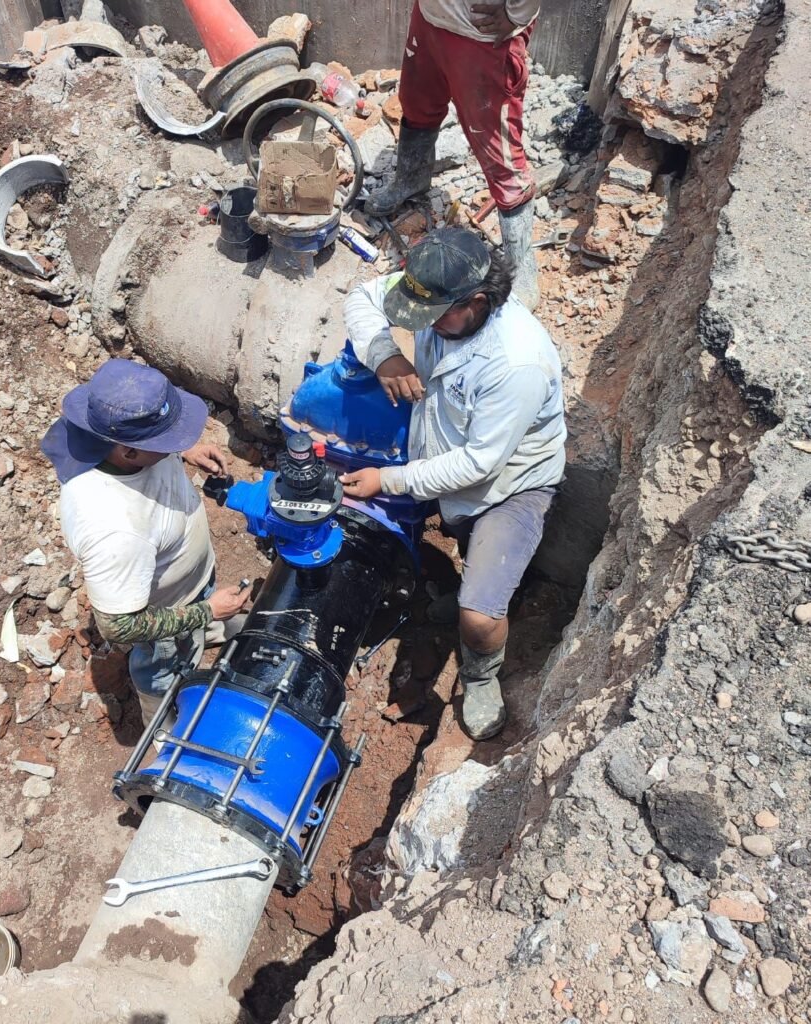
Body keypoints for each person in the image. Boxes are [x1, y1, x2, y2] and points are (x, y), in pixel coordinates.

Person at [340, 227, 565, 739]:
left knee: (478, 618)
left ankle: (482, 670)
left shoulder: (515, 362)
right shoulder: (436, 292)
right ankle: (483, 583)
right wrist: (385, 355)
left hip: (509, 486)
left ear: (477, 302)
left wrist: (389, 480)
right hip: (451, 469)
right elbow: (362, 296)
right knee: (464, 537)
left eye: (434, 318)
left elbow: (479, 465)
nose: (423, 326)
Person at [41, 359, 250, 726]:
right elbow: (120, 626)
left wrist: (183, 448)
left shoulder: (108, 430)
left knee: (200, 618)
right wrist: (205, 611)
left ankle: (209, 631)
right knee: (159, 668)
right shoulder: (115, 529)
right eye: (168, 440)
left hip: (188, 580)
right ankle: (164, 725)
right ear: (130, 452)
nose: (175, 445)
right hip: (164, 609)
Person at [367, 1, 542, 307]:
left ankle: (521, 262)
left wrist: (516, 14)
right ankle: (412, 179)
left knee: (497, 147)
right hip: (432, 16)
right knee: (418, 99)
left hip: (481, 31)